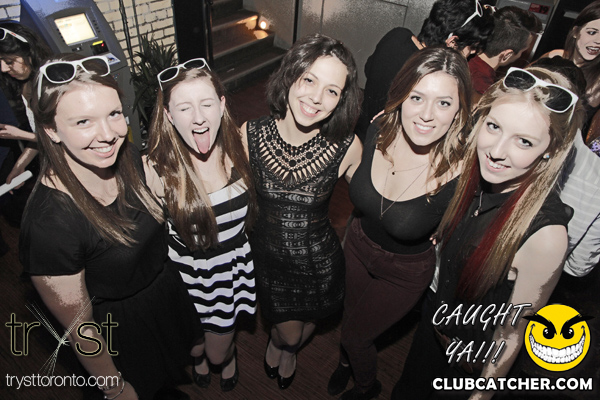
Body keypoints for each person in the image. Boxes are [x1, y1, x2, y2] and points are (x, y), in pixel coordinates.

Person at [392, 65, 583, 400]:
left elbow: (512, 330)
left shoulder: (545, 236)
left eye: (524, 141)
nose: (496, 151)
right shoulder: (477, 177)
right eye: (493, 127)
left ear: (551, 149)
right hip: (431, 333)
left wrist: (483, 393)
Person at [19, 54, 197, 400]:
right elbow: (80, 328)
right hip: (120, 329)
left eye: (114, 114)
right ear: (51, 130)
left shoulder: (124, 156)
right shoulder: (49, 225)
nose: (108, 134)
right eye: (83, 121)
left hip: (161, 297)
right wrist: (114, 388)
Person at [327, 47, 472, 400]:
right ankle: (346, 363)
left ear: (459, 110)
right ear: (402, 95)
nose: (426, 115)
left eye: (443, 103)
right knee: (350, 315)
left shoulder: (466, 168)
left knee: (357, 337)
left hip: (404, 271)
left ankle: (366, 387)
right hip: (356, 243)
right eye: (417, 97)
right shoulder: (378, 128)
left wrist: (445, 230)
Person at [241, 33, 362, 390]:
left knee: (309, 320)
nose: (316, 98)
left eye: (332, 90)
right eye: (309, 80)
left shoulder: (348, 147)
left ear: (341, 100)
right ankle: (283, 344)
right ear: (290, 75)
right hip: (269, 259)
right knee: (288, 333)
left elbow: (375, 198)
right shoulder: (250, 133)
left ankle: (286, 349)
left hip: (319, 260)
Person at [145, 59, 258, 392]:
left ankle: (229, 355)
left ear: (222, 106)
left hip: (226, 273)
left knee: (216, 352)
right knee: (194, 350)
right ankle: (201, 358)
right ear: (168, 115)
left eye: (206, 104)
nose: (198, 117)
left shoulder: (242, 146)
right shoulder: (155, 168)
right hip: (185, 277)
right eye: (184, 108)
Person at [356, 0, 494, 141]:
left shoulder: (397, 35)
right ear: (452, 42)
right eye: (471, 47)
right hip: (384, 144)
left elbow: (368, 69)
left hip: (361, 131)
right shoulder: (431, 77)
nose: (472, 53)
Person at [0, 22, 50, 186]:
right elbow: (42, 136)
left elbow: (66, 140)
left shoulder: (51, 84)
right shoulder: (23, 84)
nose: (4, 69)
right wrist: (19, 166)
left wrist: (20, 134)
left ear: (29, 53)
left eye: (9, 61)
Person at [468, 6, 542, 104]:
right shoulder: (483, 91)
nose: (521, 55)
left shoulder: (463, 58)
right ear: (506, 55)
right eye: (522, 51)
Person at [544, 1, 600, 111]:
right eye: (592, 33)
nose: (598, 41)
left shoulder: (597, 79)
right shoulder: (555, 56)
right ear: (575, 32)